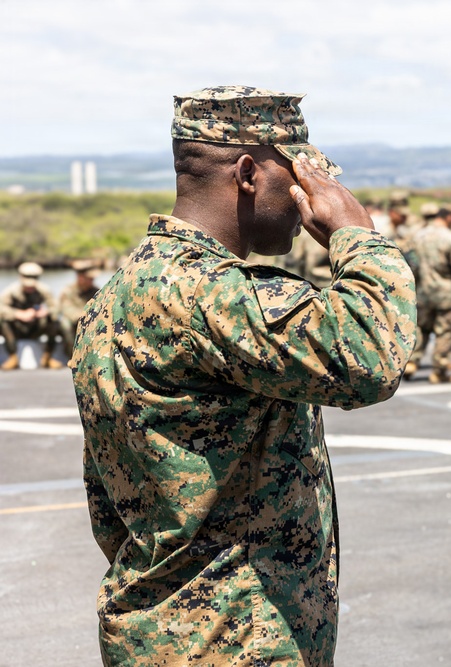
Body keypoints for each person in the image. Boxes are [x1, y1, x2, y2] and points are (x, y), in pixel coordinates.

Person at [69, 86, 416, 664]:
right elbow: (373, 356)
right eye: (298, 174)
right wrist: (359, 238)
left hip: (162, 629)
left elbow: (110, 500)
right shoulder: (213, 294)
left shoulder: (117, 295)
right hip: (236, 639)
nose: (309, 194)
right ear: (249, 174)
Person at [411, 202, 451, 383]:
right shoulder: (450, 238)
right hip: (446, 293)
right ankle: (440, 370)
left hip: (421, 292)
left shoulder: (417, 236)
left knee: (420, 329)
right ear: (449, 217)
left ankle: (412, 362)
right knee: (444, 332)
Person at [0, 261, 62, 370]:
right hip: (16, 329)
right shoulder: (11, 291)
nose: (29, 287)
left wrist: (45, 312)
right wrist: (18, 314)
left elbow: (56, 307)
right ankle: (12, 357)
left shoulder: (44, 290)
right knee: (3, 322)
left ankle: (48, 357)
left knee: (54, 321)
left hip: (35, 327)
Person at [58, 259, 101, 357]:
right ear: (80, 277)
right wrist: (85, 315)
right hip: (75, 323)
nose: (92, 281)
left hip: (91, 323)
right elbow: (68, 311)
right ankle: (72, 356)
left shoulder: (96, 291)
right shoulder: (68, 291)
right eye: (89, 278)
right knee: (64, 324)